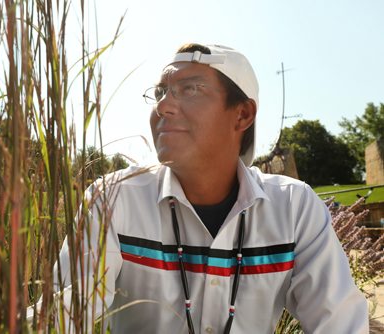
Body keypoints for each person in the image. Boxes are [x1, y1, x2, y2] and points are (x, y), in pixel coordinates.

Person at [29, 43, 369, 333]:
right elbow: (65, 314)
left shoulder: (294, 208)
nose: (162, 105)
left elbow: (339, 323)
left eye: (190, 89)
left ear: (242, 115)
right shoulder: (114, 198)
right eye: (161, 92)